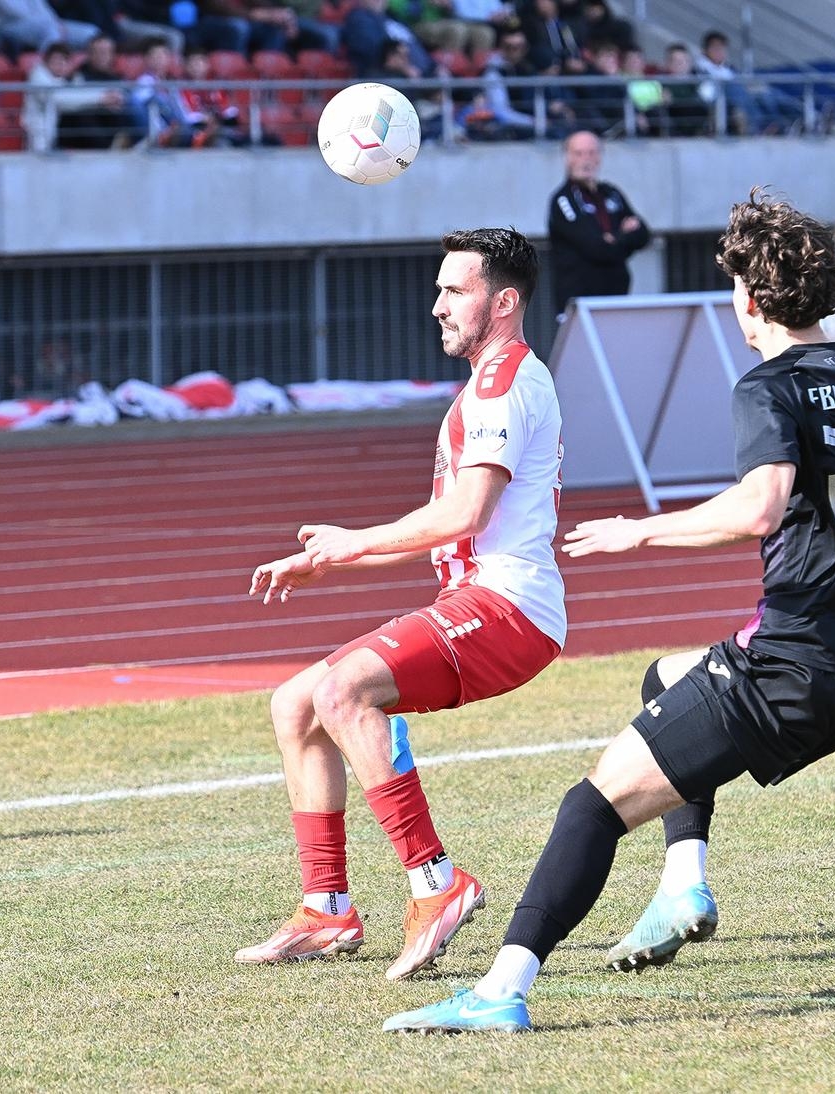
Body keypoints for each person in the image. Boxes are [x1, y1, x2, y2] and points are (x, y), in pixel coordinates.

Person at [383, 189, 835, 1034]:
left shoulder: (769, 386)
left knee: (590, 807)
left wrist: (638, 531)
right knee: (667, 677)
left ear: (751, 299)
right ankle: (683, 882)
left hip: (796, 663)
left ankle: (500, 992)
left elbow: (760, 507)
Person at [235, 227, 567, 983]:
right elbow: (446, 525)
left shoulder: (504, 383)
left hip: (511, 607)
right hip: (481, 599)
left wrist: (353, 542)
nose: (437, 306)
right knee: (296, 705)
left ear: (503, 302)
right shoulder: (490, 382)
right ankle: (326, 908)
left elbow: (467, 513)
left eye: (455, 291)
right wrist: (333, 558)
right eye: (439, 290)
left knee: (341, 692)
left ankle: (436, 883)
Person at [547, 129, 650, 320]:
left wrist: (613, 239)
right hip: (579, 306)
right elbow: (596, 247)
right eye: (579, 153)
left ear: (600, 157)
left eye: (592, 152)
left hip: (617, 301)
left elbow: (643, 235)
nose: (586, 159)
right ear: (567, 158)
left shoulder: (611, 193)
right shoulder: (564, 200)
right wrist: (622, 235)